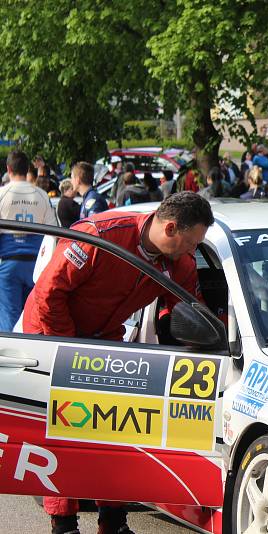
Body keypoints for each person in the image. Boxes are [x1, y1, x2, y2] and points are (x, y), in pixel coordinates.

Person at [23, 192, 213, 534]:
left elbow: (189, 311)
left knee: (116, 431)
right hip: (51, 332)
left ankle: (113, 520)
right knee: (62, 430)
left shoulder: (179, 264)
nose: (193, 252)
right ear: (170, 228)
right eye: (190, 243)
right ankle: (63, 522)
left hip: (105, 338)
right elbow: (50, 294)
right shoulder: (100, 235)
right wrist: (73, 351)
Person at [0, 150, 57, 331]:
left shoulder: (2, 194)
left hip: (9, 264)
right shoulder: (41, 195)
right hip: (36, 266)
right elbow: (53, 233)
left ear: (8, 168)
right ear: (27, 169)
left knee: (10, 318)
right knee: (34, 318)